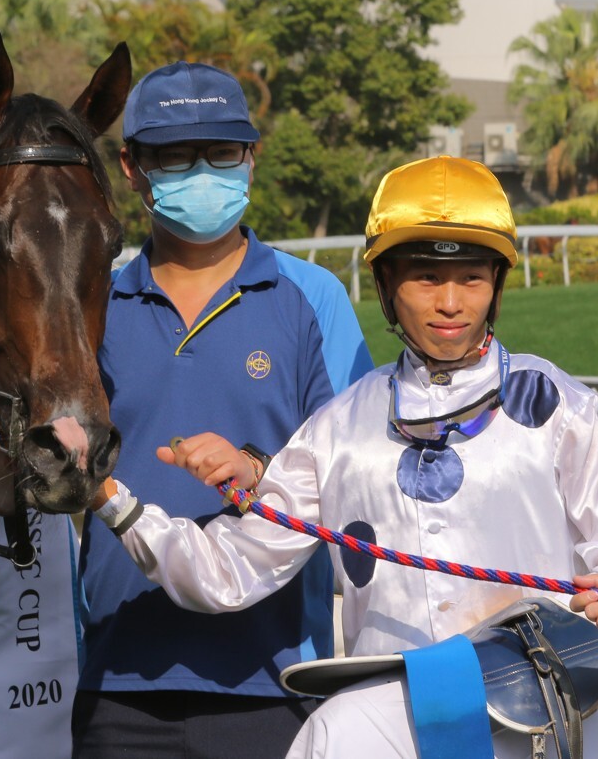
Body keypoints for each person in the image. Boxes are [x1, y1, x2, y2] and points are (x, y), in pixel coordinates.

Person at [89, 155, 598, 757]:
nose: (451, 303)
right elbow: (226, 574)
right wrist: (108, 498)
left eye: (472, 278)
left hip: (555, 714)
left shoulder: (556, 404)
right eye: (425, 279)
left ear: (498, 286)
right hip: (402, 724)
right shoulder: (339, 427)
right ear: (385, 286)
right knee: (333, 732)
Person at [75, 61, 373, 758]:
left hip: (276, 681)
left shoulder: (314, 297)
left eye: (222, 152)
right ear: (131, 167)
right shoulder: (93, 305)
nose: (202, 171)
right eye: (176, 156)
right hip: (116, 679)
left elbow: (358, 475)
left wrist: (259, 467)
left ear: (251, 157)